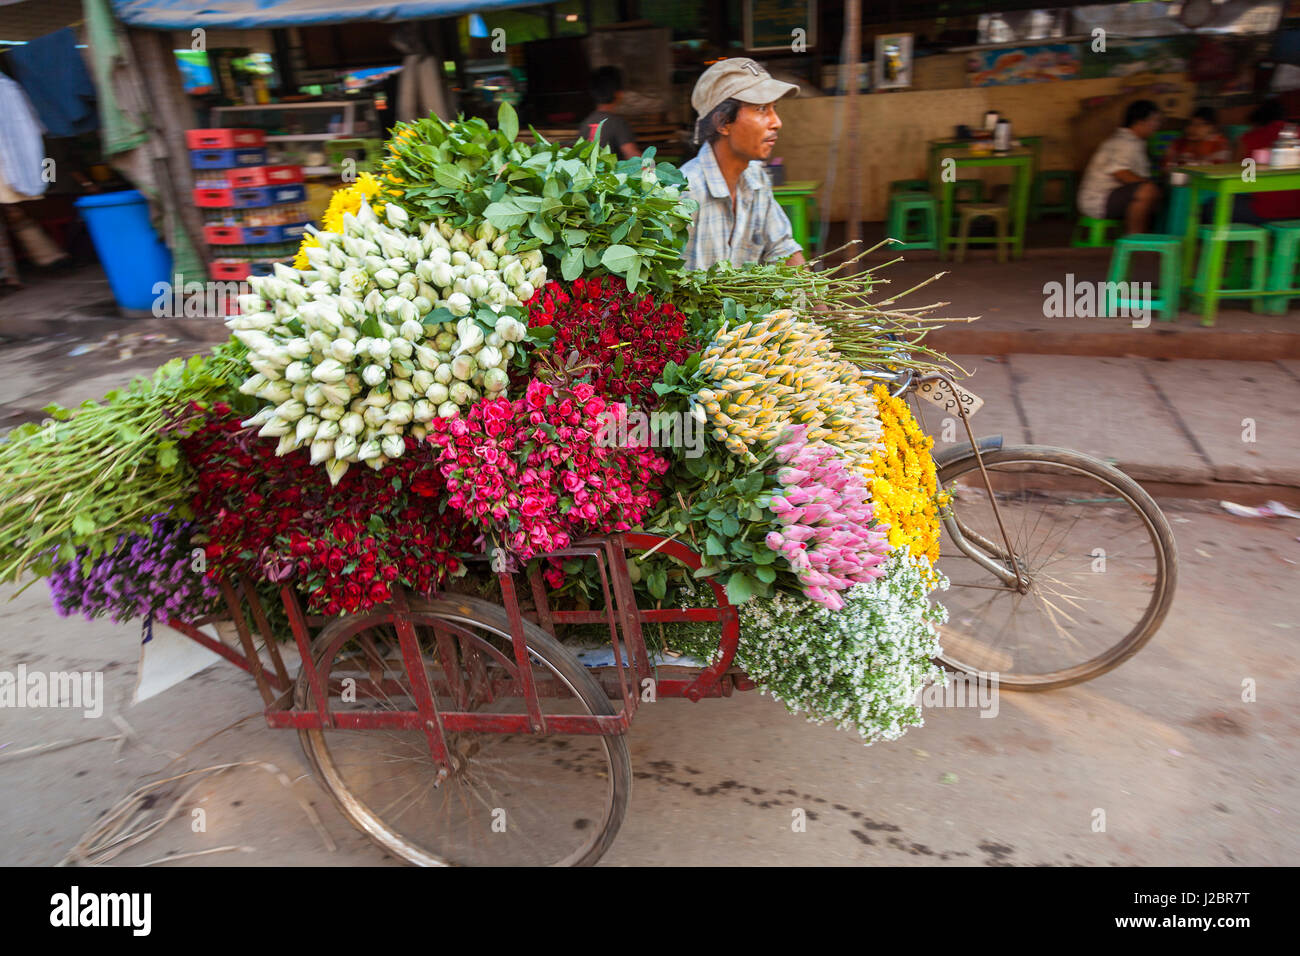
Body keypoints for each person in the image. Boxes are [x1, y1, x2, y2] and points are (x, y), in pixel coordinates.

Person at [680, 58, 804, 271]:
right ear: (723, 123)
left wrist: (822, 304)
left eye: (774, 108)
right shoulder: (685, 194)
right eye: (762, 109)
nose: (777, 122)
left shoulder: (756, 179)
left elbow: (783, 250)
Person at [1078, 99, 1163, 234]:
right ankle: (1135, 239)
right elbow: (1120, 172)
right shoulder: (1124, 143)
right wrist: (1148, 186)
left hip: (1109, 197)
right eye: (1155, 121)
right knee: (1147, 191)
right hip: (1099, 201)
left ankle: (1146, 235)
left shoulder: (1135, 142)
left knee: (1153, 191)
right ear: (1140, 122)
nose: (1157, 126)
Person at [1233, 100, 1300, 223]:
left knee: (1210, 208)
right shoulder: (1296, 134)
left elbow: (1242, 178)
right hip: (1297, 213)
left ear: (1257, 121)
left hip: (1263, 212)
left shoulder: (1248, 139)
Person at [578, 66, 639, 160]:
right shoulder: (617, 123)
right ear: (619, 93)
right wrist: (652, 171)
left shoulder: (585, 123)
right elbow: (634, 157)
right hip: (613, 174)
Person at [1164, 107, 1231, 169]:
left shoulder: (1219, 145)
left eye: (1199, 124)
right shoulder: (1180, 143)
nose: (1192, 128)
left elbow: (1217, 170)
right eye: (1191, 124)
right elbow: (1166, 166)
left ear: (1212, 128)